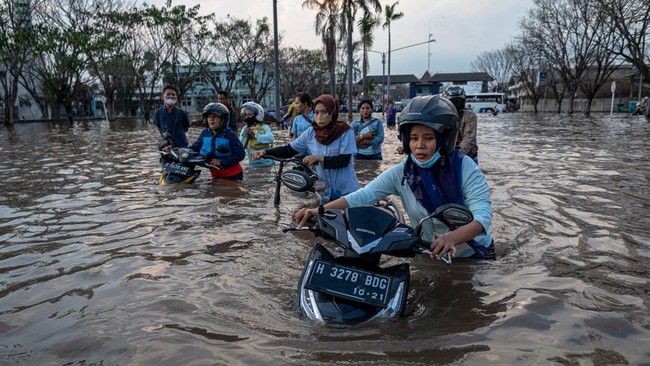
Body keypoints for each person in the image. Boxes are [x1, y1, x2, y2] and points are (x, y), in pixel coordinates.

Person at [294, 95, 494, 260]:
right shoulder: (403, 171)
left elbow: (482, 217)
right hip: (428, 251)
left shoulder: (465, 167)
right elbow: (362, 196)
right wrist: (317, 210)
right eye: (414, 138)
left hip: (473, 255)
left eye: (429, 138)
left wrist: (452, 238)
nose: (419, 146)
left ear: (444, 139)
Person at [252, 94, 359, 202]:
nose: (319, 116)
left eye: (324, 112)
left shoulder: (346, 132)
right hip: (324, 192)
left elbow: (343, 160)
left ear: (332, 112)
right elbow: (288, 150)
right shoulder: (310, 133)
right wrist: (265, 152)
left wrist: (317, 158)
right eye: (316, 112)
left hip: (347, 192)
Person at [188, 102, 245, 180]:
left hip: (233, 175)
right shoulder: (205, 133)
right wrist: (181, 150)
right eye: (209, 116)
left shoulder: (230, 135)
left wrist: (221, 162)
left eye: (215, 116)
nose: (211, 119)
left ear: (222, 119)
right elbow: (196, 147)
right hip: (216, 175)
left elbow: (241, 154)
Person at [443, 85, 479, 164]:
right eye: (452, 101)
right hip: (447, 155)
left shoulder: (470, 116)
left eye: (458, 100)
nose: (456, 103)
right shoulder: (442, 116)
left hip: (468, 156)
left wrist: (456, 156)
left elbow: (469, 139)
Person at [239, 101, 274, 167]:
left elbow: (270, 138)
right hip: (253, 164)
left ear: (257, 115)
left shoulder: (264, 127)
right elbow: (240, 145)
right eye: (245, 115)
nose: (247, 117)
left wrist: (254, 135)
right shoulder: (245, 129)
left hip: (267, 163)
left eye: (249, 115)